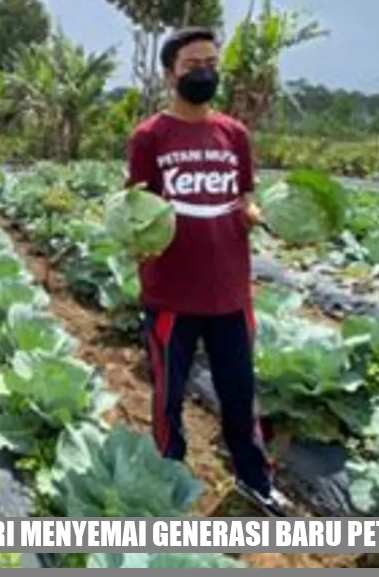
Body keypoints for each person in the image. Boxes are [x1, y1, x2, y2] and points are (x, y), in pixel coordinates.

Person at [124, 26, 291, 518]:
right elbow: (136, 208)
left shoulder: (233, 134)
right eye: (194, 65)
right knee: (168, 401)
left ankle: (255, 480)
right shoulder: (150, 136)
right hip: (171, 295)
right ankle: (168, 485)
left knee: (240, 396)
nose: (205, 72)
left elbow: (244, 197)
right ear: (170, 72)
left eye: (211, 63)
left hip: (230, 295)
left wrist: (258, 215)